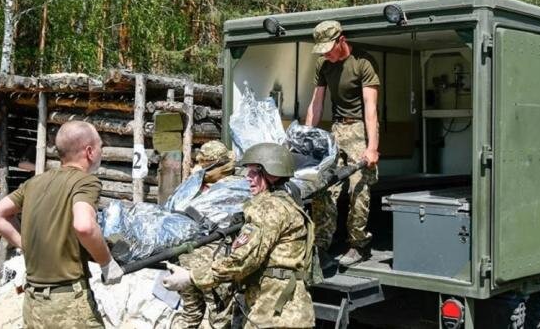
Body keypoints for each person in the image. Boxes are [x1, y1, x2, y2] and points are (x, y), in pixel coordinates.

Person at [0, 121, 123, 328]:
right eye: (100, 147)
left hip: (33, 303)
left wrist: (26, 245)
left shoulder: (34, 183)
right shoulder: (85, 182)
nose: (101, 152)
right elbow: (84, 226)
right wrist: (106, 263)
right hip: (68, 305)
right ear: (89, 151)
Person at [163, 143, 315, 329]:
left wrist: (191, 276)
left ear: (271, 174)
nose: (248, 179)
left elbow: (241, 261)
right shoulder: (287, 203)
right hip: (285, 309)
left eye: (253, 173)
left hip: (274, 314)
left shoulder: (269, 209)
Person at [305, 20, 380, 267]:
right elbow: (316, 104)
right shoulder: (323, 64)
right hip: (336, 128)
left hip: (359, 127)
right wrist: (307, 137)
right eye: (322, 49)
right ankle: (320, 247)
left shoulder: (363, 62)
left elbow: (371, 109)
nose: (326, 53)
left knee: (359, 188)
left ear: (341, 40)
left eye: (329, 48)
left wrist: (371, 147)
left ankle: (358, 245)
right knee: (324, 186)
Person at [174, 140, 238, 329]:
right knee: (211, 316)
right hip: (201, 261)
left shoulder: (230, 187)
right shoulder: (195, 186)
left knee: (201, 315)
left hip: (202, 261)